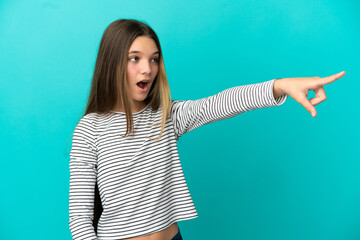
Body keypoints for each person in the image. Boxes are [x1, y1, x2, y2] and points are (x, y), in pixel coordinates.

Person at [68, 18, 345, 240]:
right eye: (135, 58)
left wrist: (280, 85)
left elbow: (220, 103)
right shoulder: (90, 129)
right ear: (112, 62)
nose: (148, 69)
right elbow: (80, 219)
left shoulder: (167, 116)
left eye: (154, 59)